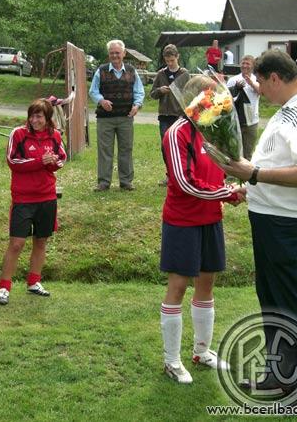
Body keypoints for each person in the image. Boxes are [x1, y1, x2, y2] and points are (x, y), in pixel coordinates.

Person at [216, 50, 297, 406]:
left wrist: (254, 174)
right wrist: (251, 187)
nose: (259, 90)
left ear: (274, 77)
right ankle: (281, 373)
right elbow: (281, 161)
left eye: (260, 83)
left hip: (291, 223)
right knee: (273, 300)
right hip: (275, 218)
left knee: (296, 304)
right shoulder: (291, 107)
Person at [159, 74, 243, 384]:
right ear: (193, 102)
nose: (214, 103)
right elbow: (184, 183)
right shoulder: (176, 133)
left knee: (206, 284)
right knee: (178, 286)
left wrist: (235, 181)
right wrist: (227, 193)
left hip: (211, 218)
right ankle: (171, 360)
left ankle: (201, 351)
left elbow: (221, 168)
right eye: (209, 97)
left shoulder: (212, 130)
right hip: (182, 220)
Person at [0, 98, 67, 305]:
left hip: (47, 197)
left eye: (39, 116)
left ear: (47, 118)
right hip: (23, 198)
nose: (34, 120)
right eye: (31, 116)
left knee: (41, 241)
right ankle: (4, 287)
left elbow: (62, 158)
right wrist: (39, 161)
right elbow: (13, 161)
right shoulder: (18, 134)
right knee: (16, 244)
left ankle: (34, 282)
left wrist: (52, 162)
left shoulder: (55, 135)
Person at [89, 39, 144, 191]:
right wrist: (101, 101)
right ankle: (104, 182)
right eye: (112, 53)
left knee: (126, 149)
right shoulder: (101, 71)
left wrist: (137, 105)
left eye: (117, 53)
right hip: (105, 119)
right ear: (109, 54)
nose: (115, 55)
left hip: (126, 118)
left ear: (124, 53)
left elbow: (139, 91)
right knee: (105, 150)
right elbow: (93, 91)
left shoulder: (132, 71)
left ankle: (126, 181)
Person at [150, 44, 188, 186]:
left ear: (177, 57)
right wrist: (160, 90)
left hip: (180, 116)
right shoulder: (161, 74)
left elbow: (190, 94)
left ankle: (182, 175)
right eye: (167, 61)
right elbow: (152, 94)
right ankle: (170, 175)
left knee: (180, 147)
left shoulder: (184, 74)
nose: (170, 63)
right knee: (166, 147)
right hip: (164, 117)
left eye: (172, 60)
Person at [226, 55, 260, 160]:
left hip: (252, 121)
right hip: (235, 120)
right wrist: (235, 88)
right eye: (243, 63)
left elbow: (261, 92)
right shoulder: (233, 79)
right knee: (234, 151)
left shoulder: (257, 79)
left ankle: (247, 169)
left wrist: (251, 83)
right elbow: (226, 97)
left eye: (247, 63)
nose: (245, 66)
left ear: (253, 66)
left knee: (248, 152)